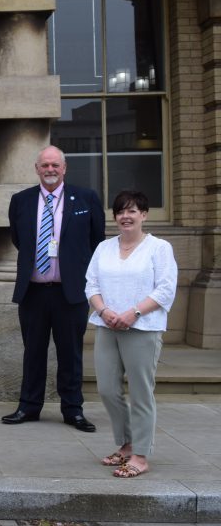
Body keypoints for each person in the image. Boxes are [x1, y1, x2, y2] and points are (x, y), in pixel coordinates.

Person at [2, 145, 105, 431]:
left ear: (64, 168)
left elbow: (96, 241)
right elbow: (19, 240)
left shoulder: (86, 198)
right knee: (32, 351)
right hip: (33, 291)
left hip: (70, 291)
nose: (50, 170)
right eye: (45, 165)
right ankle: (28, 406)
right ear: (37, 168)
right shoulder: (20, 200)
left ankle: (73, 410)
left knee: (70, 353)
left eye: (55, 165)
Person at [85, 190, 177, 478]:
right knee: (107, 390)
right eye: (120, 211)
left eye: (132, 211)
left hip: (143, 328)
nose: (126, 216)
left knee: (140, 392)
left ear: (144, 215)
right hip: (107, 326)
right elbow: (91, 285)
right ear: (115, 217)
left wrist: (133, 313)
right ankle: (125, 444)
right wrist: (103, 311)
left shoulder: (159, 248)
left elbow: (164, 290)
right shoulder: (104, 248)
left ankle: (140, 454)